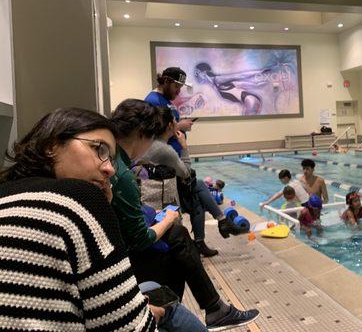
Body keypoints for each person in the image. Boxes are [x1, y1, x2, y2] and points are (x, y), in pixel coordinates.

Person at [0, 108, 160, 331]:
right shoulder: (83, 199)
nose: (109, 169)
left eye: (111, 159)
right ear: (51, 146)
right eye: (98, 149)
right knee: (161, 300)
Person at [110, 99, 260, 330]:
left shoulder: (114, 159)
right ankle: (205, 308)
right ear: (142, 134)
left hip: (117, 243)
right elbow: (140, 238)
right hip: (124, 256)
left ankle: (213, 307)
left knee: (180, 232)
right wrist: (167, 218)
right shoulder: (124, 171)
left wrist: (153, 213)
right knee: (179, 238)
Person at [140, 107, 246, 257]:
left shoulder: (151, 142)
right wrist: (184, 147)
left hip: (155, 189)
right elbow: (186, 173)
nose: (178, 122)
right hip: (160, 196)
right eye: (176, 120)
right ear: (170, 126)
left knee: (198, 194)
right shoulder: (164, 149)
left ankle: (212, 231)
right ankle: (218, 225)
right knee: (198, 190)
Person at [194, 62, 280, 116]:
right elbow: (243, 84)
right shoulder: (215, 84)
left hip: (250, 100)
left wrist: (260, 71)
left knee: (248, 129)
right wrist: (257, 84)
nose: (196, 76)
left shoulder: (218, 80)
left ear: (203, 73)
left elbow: (240, 75)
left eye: (197, 73)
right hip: (250, 101)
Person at [145, 66, 194, 156]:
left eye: (180, 87)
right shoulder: (153, 101)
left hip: (174, 157)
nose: (178, 91)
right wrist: (180, 126)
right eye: (176, 86)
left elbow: (167, 123)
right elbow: (152, 135)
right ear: (166, 81)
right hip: (163, 159)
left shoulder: (167, 101)